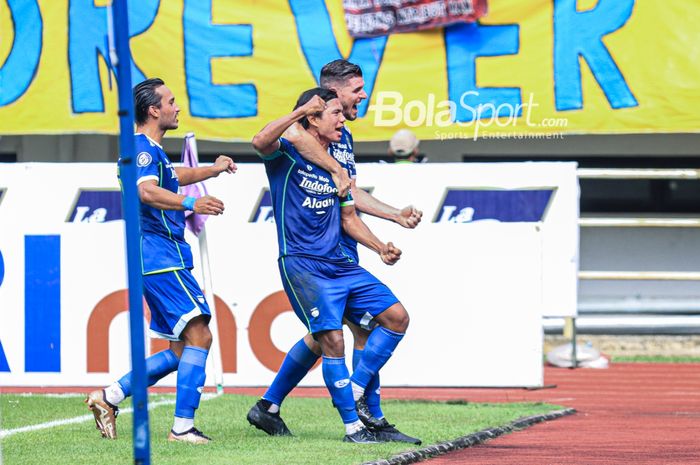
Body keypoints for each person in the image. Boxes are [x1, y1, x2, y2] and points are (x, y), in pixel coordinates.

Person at [246, 60, 421, 444]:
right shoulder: (297, 131)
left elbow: (348, 196)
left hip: (340, 249)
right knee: (347, 333)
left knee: (331, 334)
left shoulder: (342, 137)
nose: (363, 97)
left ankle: (270, 405)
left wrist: (392, 217)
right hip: (313, 254)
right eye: (356, 91)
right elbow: (282, 139)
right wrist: (335, 171)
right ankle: (365, 417)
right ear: (332, 93)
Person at [85, 78, 236, 445]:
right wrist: (190, 203)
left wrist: (211, 170)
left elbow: (172, 177)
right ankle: (182, 428)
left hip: (159, 257)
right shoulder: (140, 148)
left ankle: (110, 396)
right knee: (199, 333)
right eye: (171, 101)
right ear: (154, 110)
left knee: (181, 348)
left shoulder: (150, 150)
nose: (177, 107)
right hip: (160, 257)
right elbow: (146, 190)